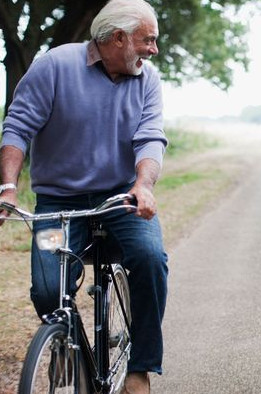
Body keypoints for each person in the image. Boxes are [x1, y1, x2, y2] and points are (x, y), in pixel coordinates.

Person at [0, 0, 168, 392]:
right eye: (148, 40)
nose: (153, 50)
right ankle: (66, 344)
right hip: (58, 202)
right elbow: (18, 127)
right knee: (47, 291)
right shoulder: (55, 66)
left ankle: (140, 368)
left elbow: (150, 139)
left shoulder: (148, 80)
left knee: (150, 259)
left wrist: (143, 185)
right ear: (118, 38)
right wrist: (8, 187)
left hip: (120, 196)